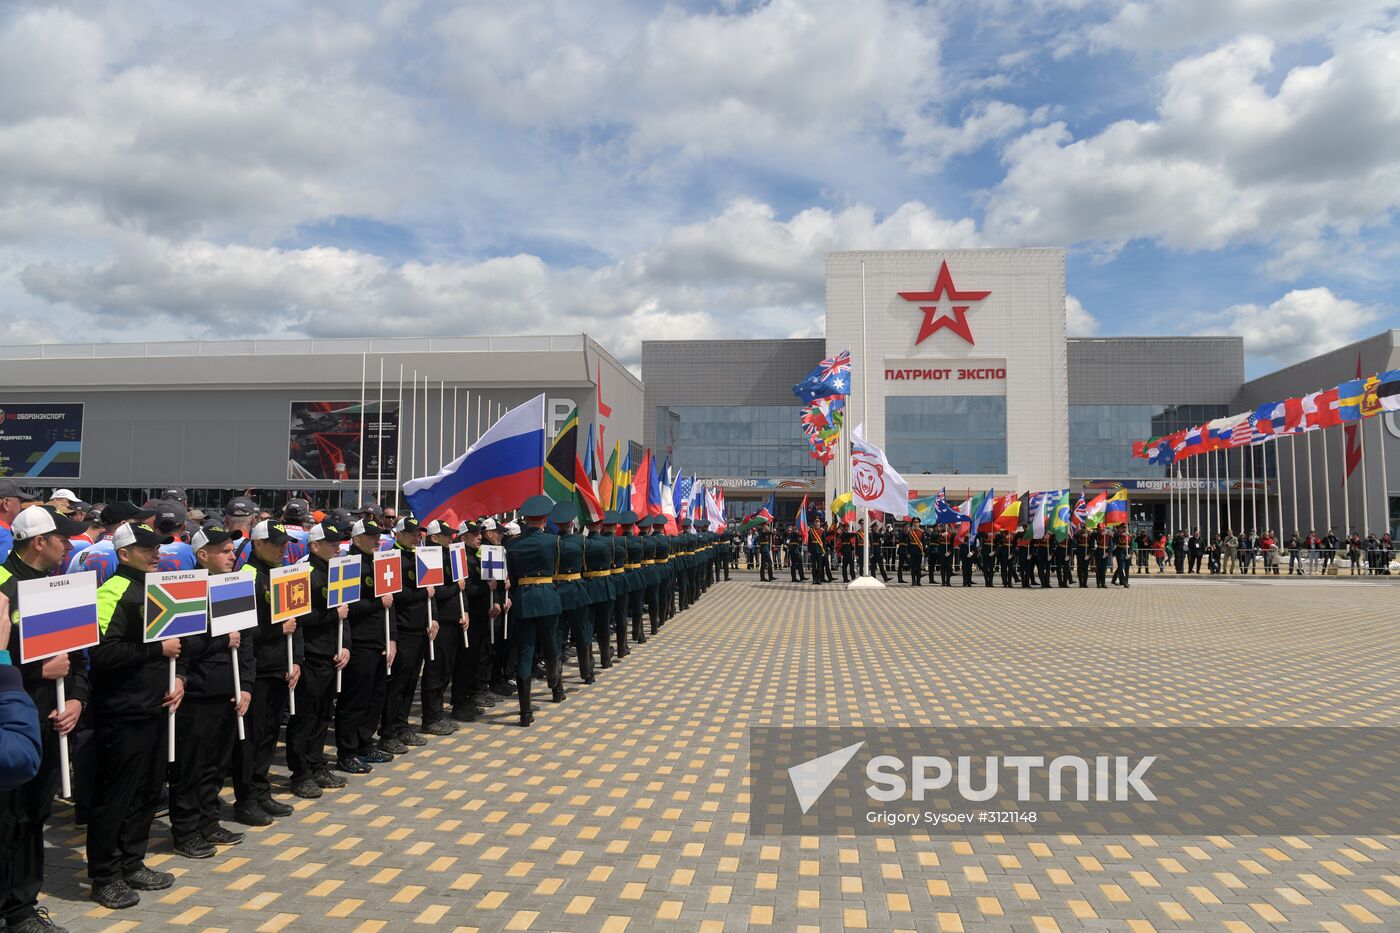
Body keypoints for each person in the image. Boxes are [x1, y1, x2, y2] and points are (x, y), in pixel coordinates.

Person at [1, 506, 91, 932]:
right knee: (7, 820)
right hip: (12, 727)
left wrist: (75, 700)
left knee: (33, 818)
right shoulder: (2, 587)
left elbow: (78, 659)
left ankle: (22, 905)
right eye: (63, 537)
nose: (70, 544)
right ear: (39, 541)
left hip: (52, 724)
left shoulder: (64, 585)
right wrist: (39, 672)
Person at [87, 520, 184, 909]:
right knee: (116, 796)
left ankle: (133, 861)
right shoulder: (113, 590)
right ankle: (104, 876)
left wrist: (181, 679)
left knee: (146, 792)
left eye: (158, 547)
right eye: (147, 549)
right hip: (122, 712)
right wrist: (155, 653)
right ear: (124, 554)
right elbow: (101, 654)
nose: (156, 553)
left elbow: (179, 642)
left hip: (157, 706)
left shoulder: (157, 586)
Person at [169, 523, 252, 860]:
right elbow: (183, 645)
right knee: (191, 766)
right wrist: (221, 640)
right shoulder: (187, 590)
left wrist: (245, 685)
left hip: (227, 692)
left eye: (232, 550)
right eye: (224, 551)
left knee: (216, 765)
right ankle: (186, 830)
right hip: (199, 694)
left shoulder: (233, 585)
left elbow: (244, 643)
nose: (232, 555)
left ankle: (209, 820)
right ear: (203, 555)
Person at [233, 520, 302, 827]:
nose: (281, 547)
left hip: (278, 667)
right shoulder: (245, 577)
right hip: (257, 670)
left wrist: (295, 659)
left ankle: (261, 791)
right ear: (257, 544)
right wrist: (277, 631)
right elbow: (242, 633)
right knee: (251, 738)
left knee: (269, 734)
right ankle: (246, 798)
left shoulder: (281, 573)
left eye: (284, 542)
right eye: (275, 543)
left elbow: (294, 619)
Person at [285, 522, 354, 800]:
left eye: (338, 543)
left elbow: (345, 612)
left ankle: (316, 764)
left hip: (332, 654)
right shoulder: (304, 574)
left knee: (324, 714)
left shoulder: (337, 571)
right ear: (314, 546)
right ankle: (300, 773)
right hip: (312, 656)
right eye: (331, 543)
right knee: (305, 717)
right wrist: (332, 614)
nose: (338, 547)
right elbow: (301, 617)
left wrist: (346, 645)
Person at [504, 496, 562, 727]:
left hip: (524, 599)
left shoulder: (512, 544)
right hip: (548, 597)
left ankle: (525, 712)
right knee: (551, 644)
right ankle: (555, 685)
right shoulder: (553, 541)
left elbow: (514, 577)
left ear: (526, 520)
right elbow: (555, 571)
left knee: (525, 654)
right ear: (545, 519)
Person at [379, 518, 433, 756]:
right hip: (402, 629)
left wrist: (434, 618)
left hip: (419, 627)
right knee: (398, 684)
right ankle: (388, 731)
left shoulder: (419, 555)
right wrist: (421, 593)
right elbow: (393, 596)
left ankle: (401, 724)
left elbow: (431, 590)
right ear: (398, 535)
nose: (416, 536)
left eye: (418, 533)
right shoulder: (391, 558)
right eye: (410, 533)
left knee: (411, 682)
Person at [550, 502, 587, 692]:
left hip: (556, 590)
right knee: (581, 633)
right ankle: (586, 672)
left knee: (557, 637)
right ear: (572, 523)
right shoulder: (581, 541)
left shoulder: (551, 541)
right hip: (576, 591)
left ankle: (557, 687)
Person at [581, 513, 615, 675]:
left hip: (587, 586)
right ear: (601, 525)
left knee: (588, 625)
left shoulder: (583, 544)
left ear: (587, 526)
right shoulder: (609, 543)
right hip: (604, 585)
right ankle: (605, 658)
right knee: (604, 623)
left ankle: (588, 666)